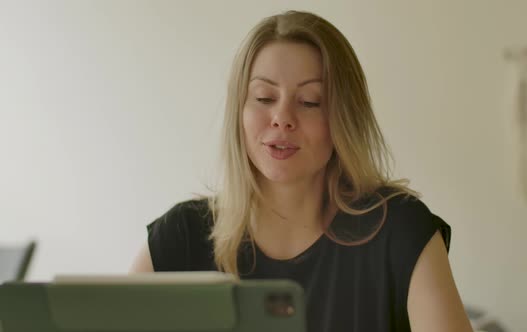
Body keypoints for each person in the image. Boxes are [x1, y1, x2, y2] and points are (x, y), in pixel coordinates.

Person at [131, 10, 473, 332]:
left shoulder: (401, 231)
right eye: (264, 98)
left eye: (310, 102)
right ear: (240, 111)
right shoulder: (180, 238)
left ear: (344, 118)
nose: (282, 117)